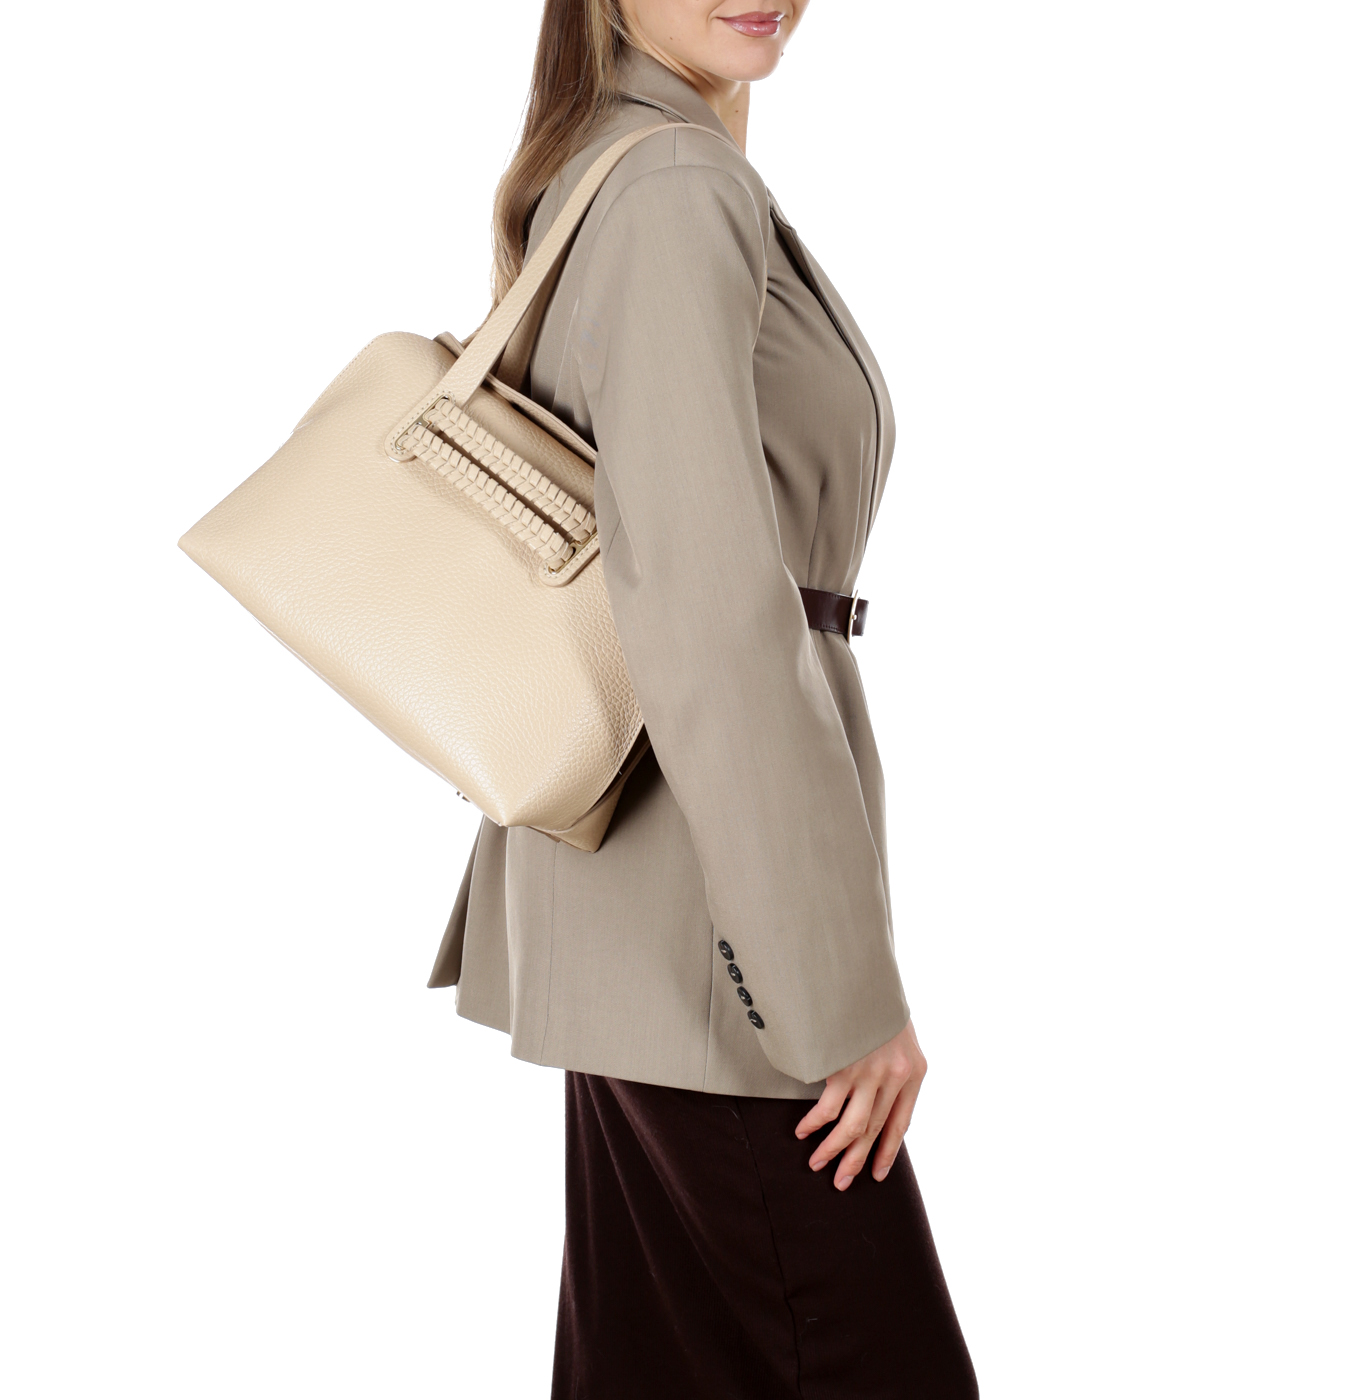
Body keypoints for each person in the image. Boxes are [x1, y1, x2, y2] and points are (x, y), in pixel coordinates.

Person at [430, 3, 977, 1393]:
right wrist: (833, 994)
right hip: (714, 933)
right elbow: (711, 617)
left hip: (643, 908)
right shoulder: (671, 186)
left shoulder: (619, 160)